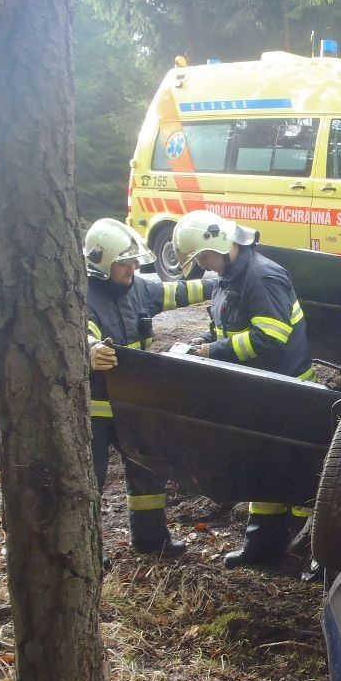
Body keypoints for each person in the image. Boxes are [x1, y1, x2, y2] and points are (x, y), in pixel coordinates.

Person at [172, 209, 315, 569]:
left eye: (202, 257)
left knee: (297, 476)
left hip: (288, 396)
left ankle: (309, 556)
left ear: (219, 244)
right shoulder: (229, 276)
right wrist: (199, 342)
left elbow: (271, 339)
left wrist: (213, 352)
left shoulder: (263, 276)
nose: (203, 265)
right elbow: (222, 328)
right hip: (258, 394)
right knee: (261, 468)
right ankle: (262, 547)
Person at [85, 218, 215, 557]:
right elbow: (76, 332)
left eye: (133, 261)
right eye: (124, 262)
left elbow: (177, 291)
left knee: (148, 471)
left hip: (133, 404)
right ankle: (87, 551)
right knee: (89, 480)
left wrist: (222, 282)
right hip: (95, 409)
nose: (132, 267)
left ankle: (151, 539)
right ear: (102, 264)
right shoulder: (80, 296)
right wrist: (90, 350)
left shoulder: (139, 288)